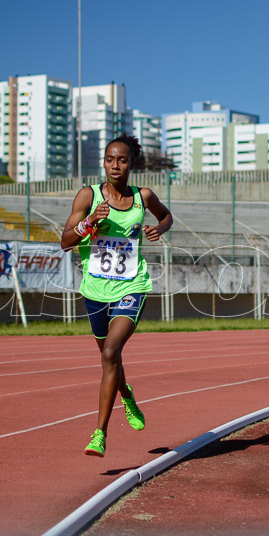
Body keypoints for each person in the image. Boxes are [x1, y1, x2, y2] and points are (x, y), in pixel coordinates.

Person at [61, 133, 173, 456]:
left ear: (131, 164)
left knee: (111, 352)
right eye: (110, 159)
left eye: (122, 160)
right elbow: (65, 241)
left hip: (131, 286)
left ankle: (99, 433)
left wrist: (158, 229)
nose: (115, 165)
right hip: (95, 289)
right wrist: (88, 224)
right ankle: (126, 395)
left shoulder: (143, 197)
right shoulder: (88, 196)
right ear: (104, 162)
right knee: (108, 357)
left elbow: (166, 216)